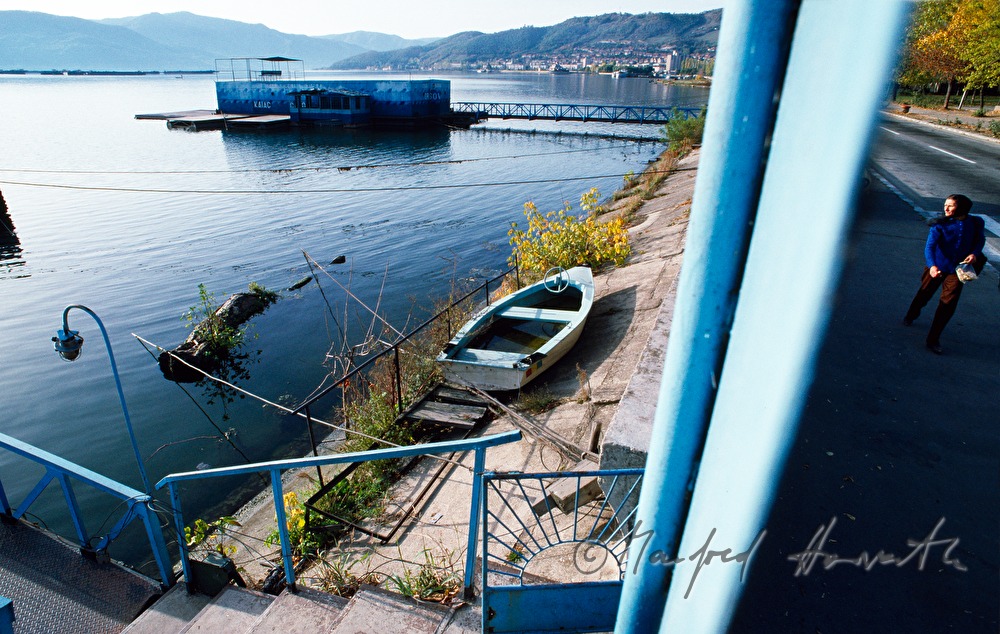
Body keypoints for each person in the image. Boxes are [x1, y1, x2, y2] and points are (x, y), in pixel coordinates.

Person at [902, 194, 986, 354]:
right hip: (937, 268)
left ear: (961, 208)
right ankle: (911, 315)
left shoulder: (975, 222)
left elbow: (980, 240)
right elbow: (930, 247)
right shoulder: (939, 224)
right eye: (945, 205)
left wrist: (975, 253)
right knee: (924, 295)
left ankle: (933, 340)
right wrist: (932, 266)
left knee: (948, 304)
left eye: (951, 206)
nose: (945, 208)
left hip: (958, 270)